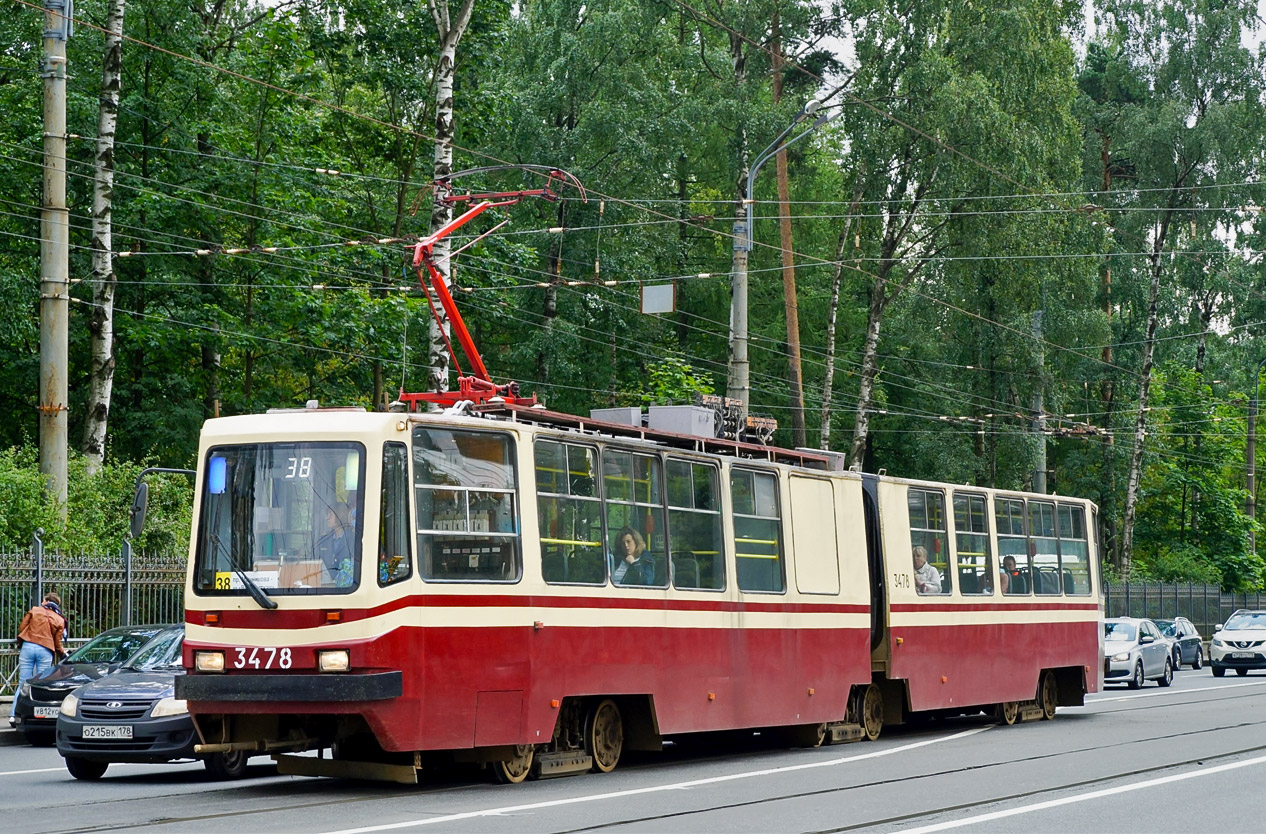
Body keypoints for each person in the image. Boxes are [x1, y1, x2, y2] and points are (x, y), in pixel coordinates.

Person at [10, 592, 67, 723]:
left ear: (46, 601)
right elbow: (57, 643)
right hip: (45, 650)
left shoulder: (35, 610)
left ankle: (14, 715)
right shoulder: (59, 619)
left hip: (28, 647)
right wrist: (63, 655)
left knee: (23, 682)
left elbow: (22, 627)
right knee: (40, 684)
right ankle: (36, 716)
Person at [315, 504, 353, 584]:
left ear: (340, 516)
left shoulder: (353, 540)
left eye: (330, 514)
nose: (326, 518)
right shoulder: (324, 540)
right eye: (327, 514)